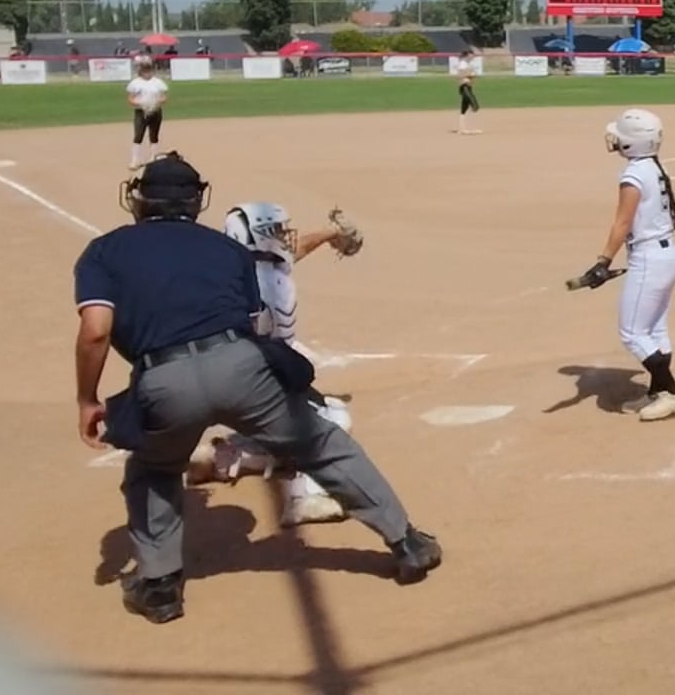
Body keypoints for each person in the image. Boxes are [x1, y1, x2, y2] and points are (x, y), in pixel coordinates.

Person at [75, 154, 440, 623]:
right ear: (196, 202)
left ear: (140, 199)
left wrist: (87, 399)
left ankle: (160, 587)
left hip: (164, 382)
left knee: (154, 470)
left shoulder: (104, 251)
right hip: (242, 366)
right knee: (323, 445)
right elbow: (251, 323)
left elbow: (96, 331)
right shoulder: (225, 249)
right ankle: (407, 542)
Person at [203, 202, 364, 527]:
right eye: (275, 231)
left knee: (301, 405)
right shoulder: (264, 289)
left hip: (215, 382)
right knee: (331, 419)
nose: (284, 236)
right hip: (248, 382)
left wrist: (330, 233)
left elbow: (293, 251)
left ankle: (232, 456)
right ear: (259, 237)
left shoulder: (235, 272)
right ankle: (308, 498)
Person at [579, 109, 675, 421]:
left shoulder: (634, 175)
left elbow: (622, 222)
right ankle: (657, 392)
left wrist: (602, 262)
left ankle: (673, 392)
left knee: (631, 332)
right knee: (654, 329)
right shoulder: (653, 166)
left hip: (649, 258)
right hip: (667, 255)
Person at [126, 59, 168, 170]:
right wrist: (141, 103)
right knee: (138, 135)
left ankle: (153, 157)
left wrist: (156, 102)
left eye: (149, 70)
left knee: (154, 135)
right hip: (141, 111)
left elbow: (164, 97)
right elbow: (130, 99)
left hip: (155, 110)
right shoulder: (135, 83)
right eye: (144, 70)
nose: (147, 73)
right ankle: (135, 160)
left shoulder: (158, 83)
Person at [454, 49, 481, 134]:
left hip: (468, 87)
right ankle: (464, 128)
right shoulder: (463, 63)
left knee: (464, 109)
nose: (473, 57)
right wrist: (471, 75)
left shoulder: (467, 64)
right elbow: (460, 75)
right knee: (475, 106)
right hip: (464, 87)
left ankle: (462, 129)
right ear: (468, 55)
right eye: (472, 55)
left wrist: (472, 75)